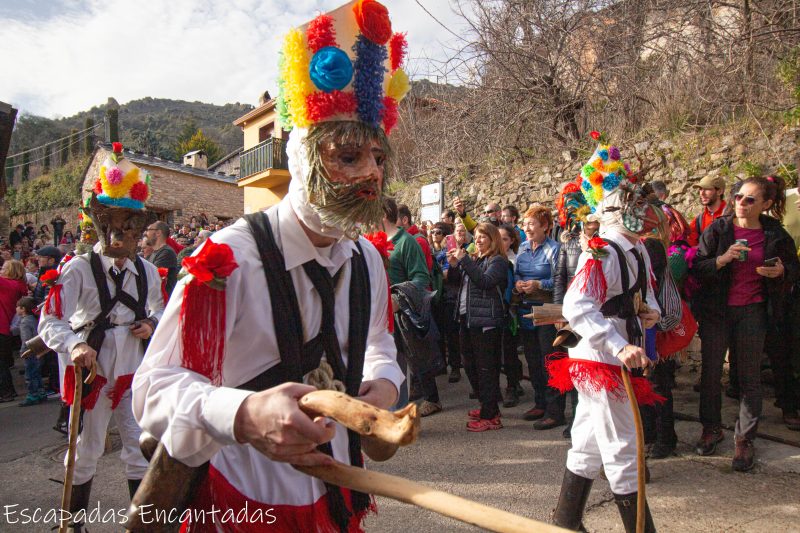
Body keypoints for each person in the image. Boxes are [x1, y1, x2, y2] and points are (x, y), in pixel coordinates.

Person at [132, 5, 409, 529]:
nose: (372, 173)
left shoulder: (369, 259)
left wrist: (385, 383)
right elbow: (153, 392)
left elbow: (379, 344)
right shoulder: (227, 259)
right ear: (302, 158)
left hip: (338, 497)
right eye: (348, 157)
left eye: (378, 157)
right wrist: (242, 414)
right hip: (241, 505)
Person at [39, 142, 165, 530]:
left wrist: (152, 324)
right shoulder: (78, 269)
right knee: (86, 450)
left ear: (139, 229)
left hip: (133, 377)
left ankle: (140, 523)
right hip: (93, 377)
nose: (122, 233)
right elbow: (50, 320)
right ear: (101, 223)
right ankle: (74, 523)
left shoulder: (146, 272)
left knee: (140, 449)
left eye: (130, 226)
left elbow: (160, 311)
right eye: (115, 224)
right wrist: (75, 344)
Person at [549, 134, 662, 532]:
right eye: (633, 204)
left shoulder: (638, 249)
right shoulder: (604, 251)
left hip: (612, 358)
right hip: (602, 360)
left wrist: (650, 313)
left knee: (588, 440)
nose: (644, 212)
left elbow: (641, 297)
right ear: (614, 209)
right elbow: (576, 305)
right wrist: (619, 345)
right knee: (624, 447)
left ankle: (565, 521)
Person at [691, 175, 799, 469]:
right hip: (718, 312)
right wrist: (722, 259)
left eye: (750, 199)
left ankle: (744, 440)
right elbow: (697, 266)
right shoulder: (720, 229)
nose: (741, 203)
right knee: (711, 374)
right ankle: (710, 428)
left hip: (753, 311)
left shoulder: (775, 233)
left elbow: (793, 267)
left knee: (750, 378)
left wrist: (781, 272)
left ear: (766, 204)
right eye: (739, 197)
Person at [448, 223, 509, 431]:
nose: (479, 240)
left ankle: (490, 416)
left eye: (483, 236)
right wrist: (456, 265)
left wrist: (465, 260)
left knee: (486, 369)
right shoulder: (477, 260)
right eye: (477, 236)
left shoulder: (498, 261)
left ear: (493, 240)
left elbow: (484, 282)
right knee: (470, 365)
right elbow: (456, 283)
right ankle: (487, 406)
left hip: (486, 322)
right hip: (469, 319)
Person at [383, 199, 440, 416]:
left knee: (412, 363)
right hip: (379, 315)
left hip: (401, 314)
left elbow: (421, 277)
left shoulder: (407, 242)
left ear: (382, 214)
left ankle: (404, 413)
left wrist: (398, 298)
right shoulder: (368, 241)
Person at [553, 180, 600, 438]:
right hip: (572, 315)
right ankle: (576, 422)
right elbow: (560, 277)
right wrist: (560, 312)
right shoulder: (569, 242)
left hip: (597, 314)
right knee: (576, 368)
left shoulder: (608, 246)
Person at [515, 205, 564, 430]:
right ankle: (539, 403)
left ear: (545, 226)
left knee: (550, 360)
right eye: (525, 224)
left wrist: (538, 284)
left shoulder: (555, 249)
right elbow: (516, 273)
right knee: (533, 360)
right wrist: (518, 284)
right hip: (527, 310)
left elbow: (559, 280)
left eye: (532, 224)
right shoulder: (523, 248)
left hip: (548, 311)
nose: (527, 228)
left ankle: (555, 411)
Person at [430, 222, 461, 383]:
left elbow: (449, 274)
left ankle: (455, 367)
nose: (435, 234)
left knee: (451, 334)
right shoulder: (429, 251)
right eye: (433, 231)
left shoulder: (448, 251)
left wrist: (438, 274)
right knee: (438, 334)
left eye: (439, 232)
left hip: (449, 296)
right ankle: (441, 364)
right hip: (436, 297)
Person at [498, 224, 523, 407]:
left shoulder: (515, 260)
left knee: (509, 351)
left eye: (505, 239)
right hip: (495, 310)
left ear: (512, 241)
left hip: (510, 310)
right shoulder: (491, 259)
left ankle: (512, 386)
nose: (501, 242)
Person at [0, 260, 29, 402]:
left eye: (4, 268)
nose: (1, 270)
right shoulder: (19, 285)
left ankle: (6, 392)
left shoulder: (8, 285)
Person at [15, 296, 43, 406]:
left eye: (17, 307)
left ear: (23, 309)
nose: (16, 309)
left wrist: (23, 350)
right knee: (37, 373)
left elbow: (26, 339)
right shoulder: (33, 319)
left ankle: (33, 394)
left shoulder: (24, 322)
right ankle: (41, 392)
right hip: (37, 350)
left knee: (30, 374)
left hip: (29, 351)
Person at [688, 175, 727, 246]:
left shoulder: (732, 215)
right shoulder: (698, 221)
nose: (702, 193)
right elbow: (690, 245)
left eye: (707, 189)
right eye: (700, 189)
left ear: (719, 191)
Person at [144, 221, 179, 297]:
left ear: (158, 233)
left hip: (162, 304)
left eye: (148, 230)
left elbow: (150, 277)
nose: (145, 233)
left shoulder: (166, 253)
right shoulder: (153, 253)